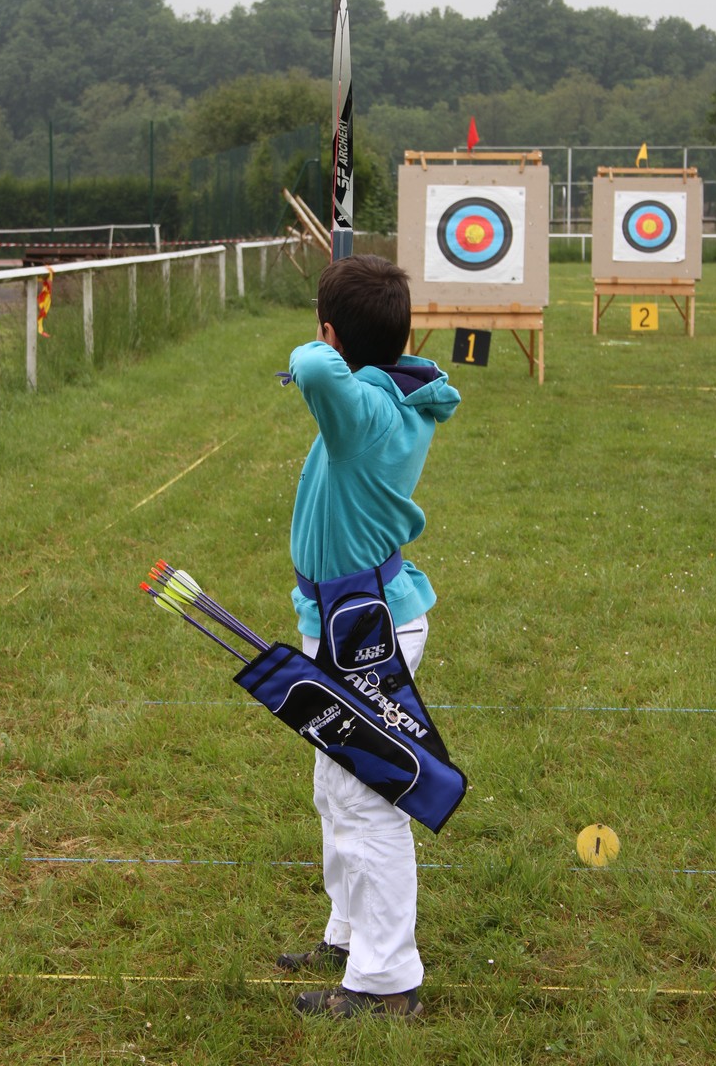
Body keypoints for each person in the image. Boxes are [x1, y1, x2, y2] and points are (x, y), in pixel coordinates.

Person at [276, 253, 460, 1020]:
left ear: (331, 334)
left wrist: (322, 342)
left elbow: (313, 371)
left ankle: (386, 984)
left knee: (366, 798)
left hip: (366, 631)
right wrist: (344, 336)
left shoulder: (364, 411)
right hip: (352, 619)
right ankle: (350, 932)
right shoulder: (383, 391)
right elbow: (335, 367)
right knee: (337, 786)